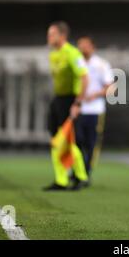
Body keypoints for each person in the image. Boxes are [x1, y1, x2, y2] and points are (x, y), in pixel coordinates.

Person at [44, 21, 89, 191]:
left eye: (52, 34)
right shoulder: (53, 54)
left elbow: (85, 78)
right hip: (58, 99)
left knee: (69, 140)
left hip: (70, 100)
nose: (49, 37)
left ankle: (80, 176)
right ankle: (61, 180)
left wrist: (77, 103)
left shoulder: (73, 53)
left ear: (62, 36)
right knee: (55, 140)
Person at [76, 36, 114, 182]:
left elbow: (111, 88)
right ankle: (77, 171)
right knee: (76, 141)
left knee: (91, 143)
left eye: (86, 45)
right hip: (78, 109)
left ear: (93, 47)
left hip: (95, 110)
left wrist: (96, 94)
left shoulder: (102, 65)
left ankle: (86, 173)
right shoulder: (76, 63)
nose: (83, 48)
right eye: (80, 45)